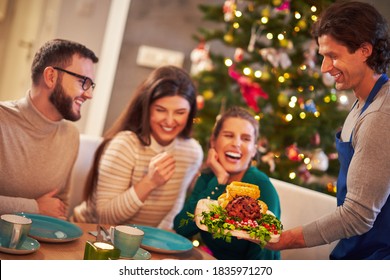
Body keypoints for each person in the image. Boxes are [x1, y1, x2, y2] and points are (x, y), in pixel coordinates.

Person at [265, 1, 390, 260]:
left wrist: (283, 239)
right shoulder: (362, 103)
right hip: (356, 248)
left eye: (333, 56)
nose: (324, 67)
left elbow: (358, 216)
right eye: (323, 56)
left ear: (365, 50)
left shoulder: (380, 116)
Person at [72, 65, 203, 229]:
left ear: (190, 113)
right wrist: (149, 182)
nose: (170, 121)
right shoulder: (125, 145)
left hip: (139, 244)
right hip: (89, 233)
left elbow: (172, 212)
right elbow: (105, 216)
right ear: (146, 108)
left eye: (180, 112)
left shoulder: (192, 152)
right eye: (161, 110)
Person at [0, 39, 99, 219]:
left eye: (91, 85)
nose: (89, 94)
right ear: (51, 77)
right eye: (83, 81)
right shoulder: (2, 121)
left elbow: (60, 207)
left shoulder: (70, 135)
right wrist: (34, 207)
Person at [173, 106, 281, 260]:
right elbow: (181, 228)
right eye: (229, 135)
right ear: (213, 141)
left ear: (253, 150)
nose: (236, 143)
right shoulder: (207, 178)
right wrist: (219, 181)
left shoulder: (261, 185)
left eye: (245, 138)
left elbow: (265, 253)